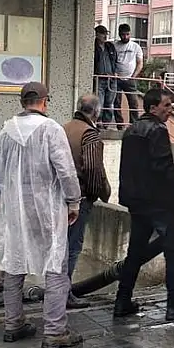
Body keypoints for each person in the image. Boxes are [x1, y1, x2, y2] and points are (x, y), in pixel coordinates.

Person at [0, 82, 84, 348]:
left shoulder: (6, 131)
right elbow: (65, 170)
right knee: (55, 263)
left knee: (13, 262)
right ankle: (55, 330)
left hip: (15, 208)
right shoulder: (51, 129)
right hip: (48, 206)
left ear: (22, 101)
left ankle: (13, 324)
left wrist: (1, 199)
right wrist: (73, 201)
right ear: (45, 101)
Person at [115, 88, 174, 322]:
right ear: (153, 108)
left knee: (135, 253)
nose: (169, 111)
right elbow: (164, 166)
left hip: (137, 201)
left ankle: (122, 300)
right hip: (157, 202)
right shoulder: (157, 130)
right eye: (166, 106)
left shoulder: (131, 130)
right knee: (172, 253)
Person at [61, 93, 111, 310]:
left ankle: (56, 291)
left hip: (59, 196)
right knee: (72, 247)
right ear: (96, 111)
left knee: (59, 247)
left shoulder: (63, 129)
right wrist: (95, 193)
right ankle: (64, 294)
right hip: (79, 198)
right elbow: (92, 169)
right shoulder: (89, 134)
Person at [112, 23, 144, 128]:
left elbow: (140, 63)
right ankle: (120, 125)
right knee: (116, 103)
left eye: (127, 34)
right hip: (116, 78)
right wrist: (114, 74)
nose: (125, 37)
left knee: (133, 103)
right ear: (119, 34)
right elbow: (111, 61)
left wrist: (134, 76)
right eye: (123, 34)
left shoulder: (136, 47)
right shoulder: (115, 46)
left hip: (130, 78)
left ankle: (133, 126)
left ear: (130, 34)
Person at [93, 25, 117, 125]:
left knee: (109, 102)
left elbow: (115, 60)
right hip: (100, 78)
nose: (105, 36)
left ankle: (106, 123)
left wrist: (115, 72)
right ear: (97, 34)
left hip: (110, 79)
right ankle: (98, 122)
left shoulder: (110, 46)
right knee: (99, 102)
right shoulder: (93, 46)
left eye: (106, 34)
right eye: (103, 34)